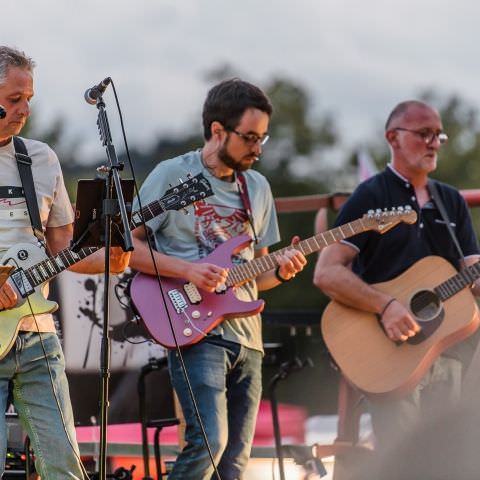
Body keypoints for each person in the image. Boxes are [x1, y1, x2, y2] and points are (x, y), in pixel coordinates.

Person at [130, 78, 307, 479]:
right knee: (209, 443)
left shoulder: (258, 188)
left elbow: (256, 277)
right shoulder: (173, 174)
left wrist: (281, 270)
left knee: (235, 464)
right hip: (195, 330)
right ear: (217, 131)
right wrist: (189, 270)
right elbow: (126, 249)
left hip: (249, 338)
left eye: (263, 138)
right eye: (249, 138)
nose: (258, 148)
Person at [314, 101, 480, 463]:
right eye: (424, 134)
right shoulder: (371, 195)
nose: (434, 142)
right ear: (393, 137)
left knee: (448, 461)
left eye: (439, 135)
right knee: (402, 461)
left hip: (446, 350)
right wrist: (385, 305)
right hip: (389, 356)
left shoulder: (450, 200)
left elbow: (474, 272)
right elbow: (326, 271)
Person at [0, 46, 130, 478]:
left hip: (38, 334)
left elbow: (62, 252)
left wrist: (113, 259)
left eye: (29, 99)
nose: (24, 109)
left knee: (65, 467)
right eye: (14, 99)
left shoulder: (40, 158)